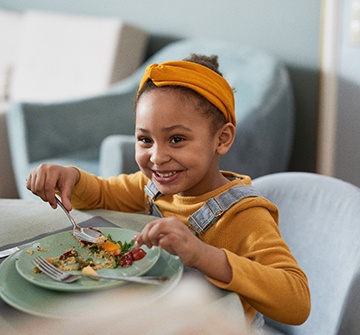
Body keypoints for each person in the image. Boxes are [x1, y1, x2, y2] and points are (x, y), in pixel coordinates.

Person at [27, 54, 310, 329]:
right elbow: (100, 194)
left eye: (176, 139)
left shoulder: (244, 215)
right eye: (145, 139)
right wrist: (70, 177)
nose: (157, 157)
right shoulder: (151, 187)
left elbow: (297, 302)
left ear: (222, 139)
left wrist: (201, 254)